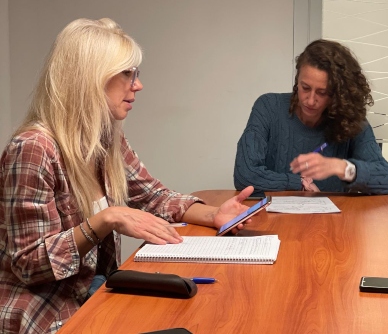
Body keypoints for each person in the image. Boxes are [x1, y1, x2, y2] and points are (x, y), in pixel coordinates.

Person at [0, 18, 254, 334]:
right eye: (127, 73)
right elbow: (28, 265)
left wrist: (214, 215)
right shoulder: (33, 148)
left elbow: (152, 196)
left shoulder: (107, 138)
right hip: (45, 314)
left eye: (136, 73)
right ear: (89, 78)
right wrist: (106, 219)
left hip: (93, 295)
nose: (137, 85)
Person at [234, 39, 388, 196]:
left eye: (322, 93)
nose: (310, 100)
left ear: (338, 94)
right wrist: (298, 183)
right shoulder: (269, 107)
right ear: (297, 80)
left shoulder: (349, 119)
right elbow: (244, 174)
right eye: (305, 88)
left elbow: (386, 180)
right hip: (271, 213)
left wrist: (342, 167)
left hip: (334, 214)